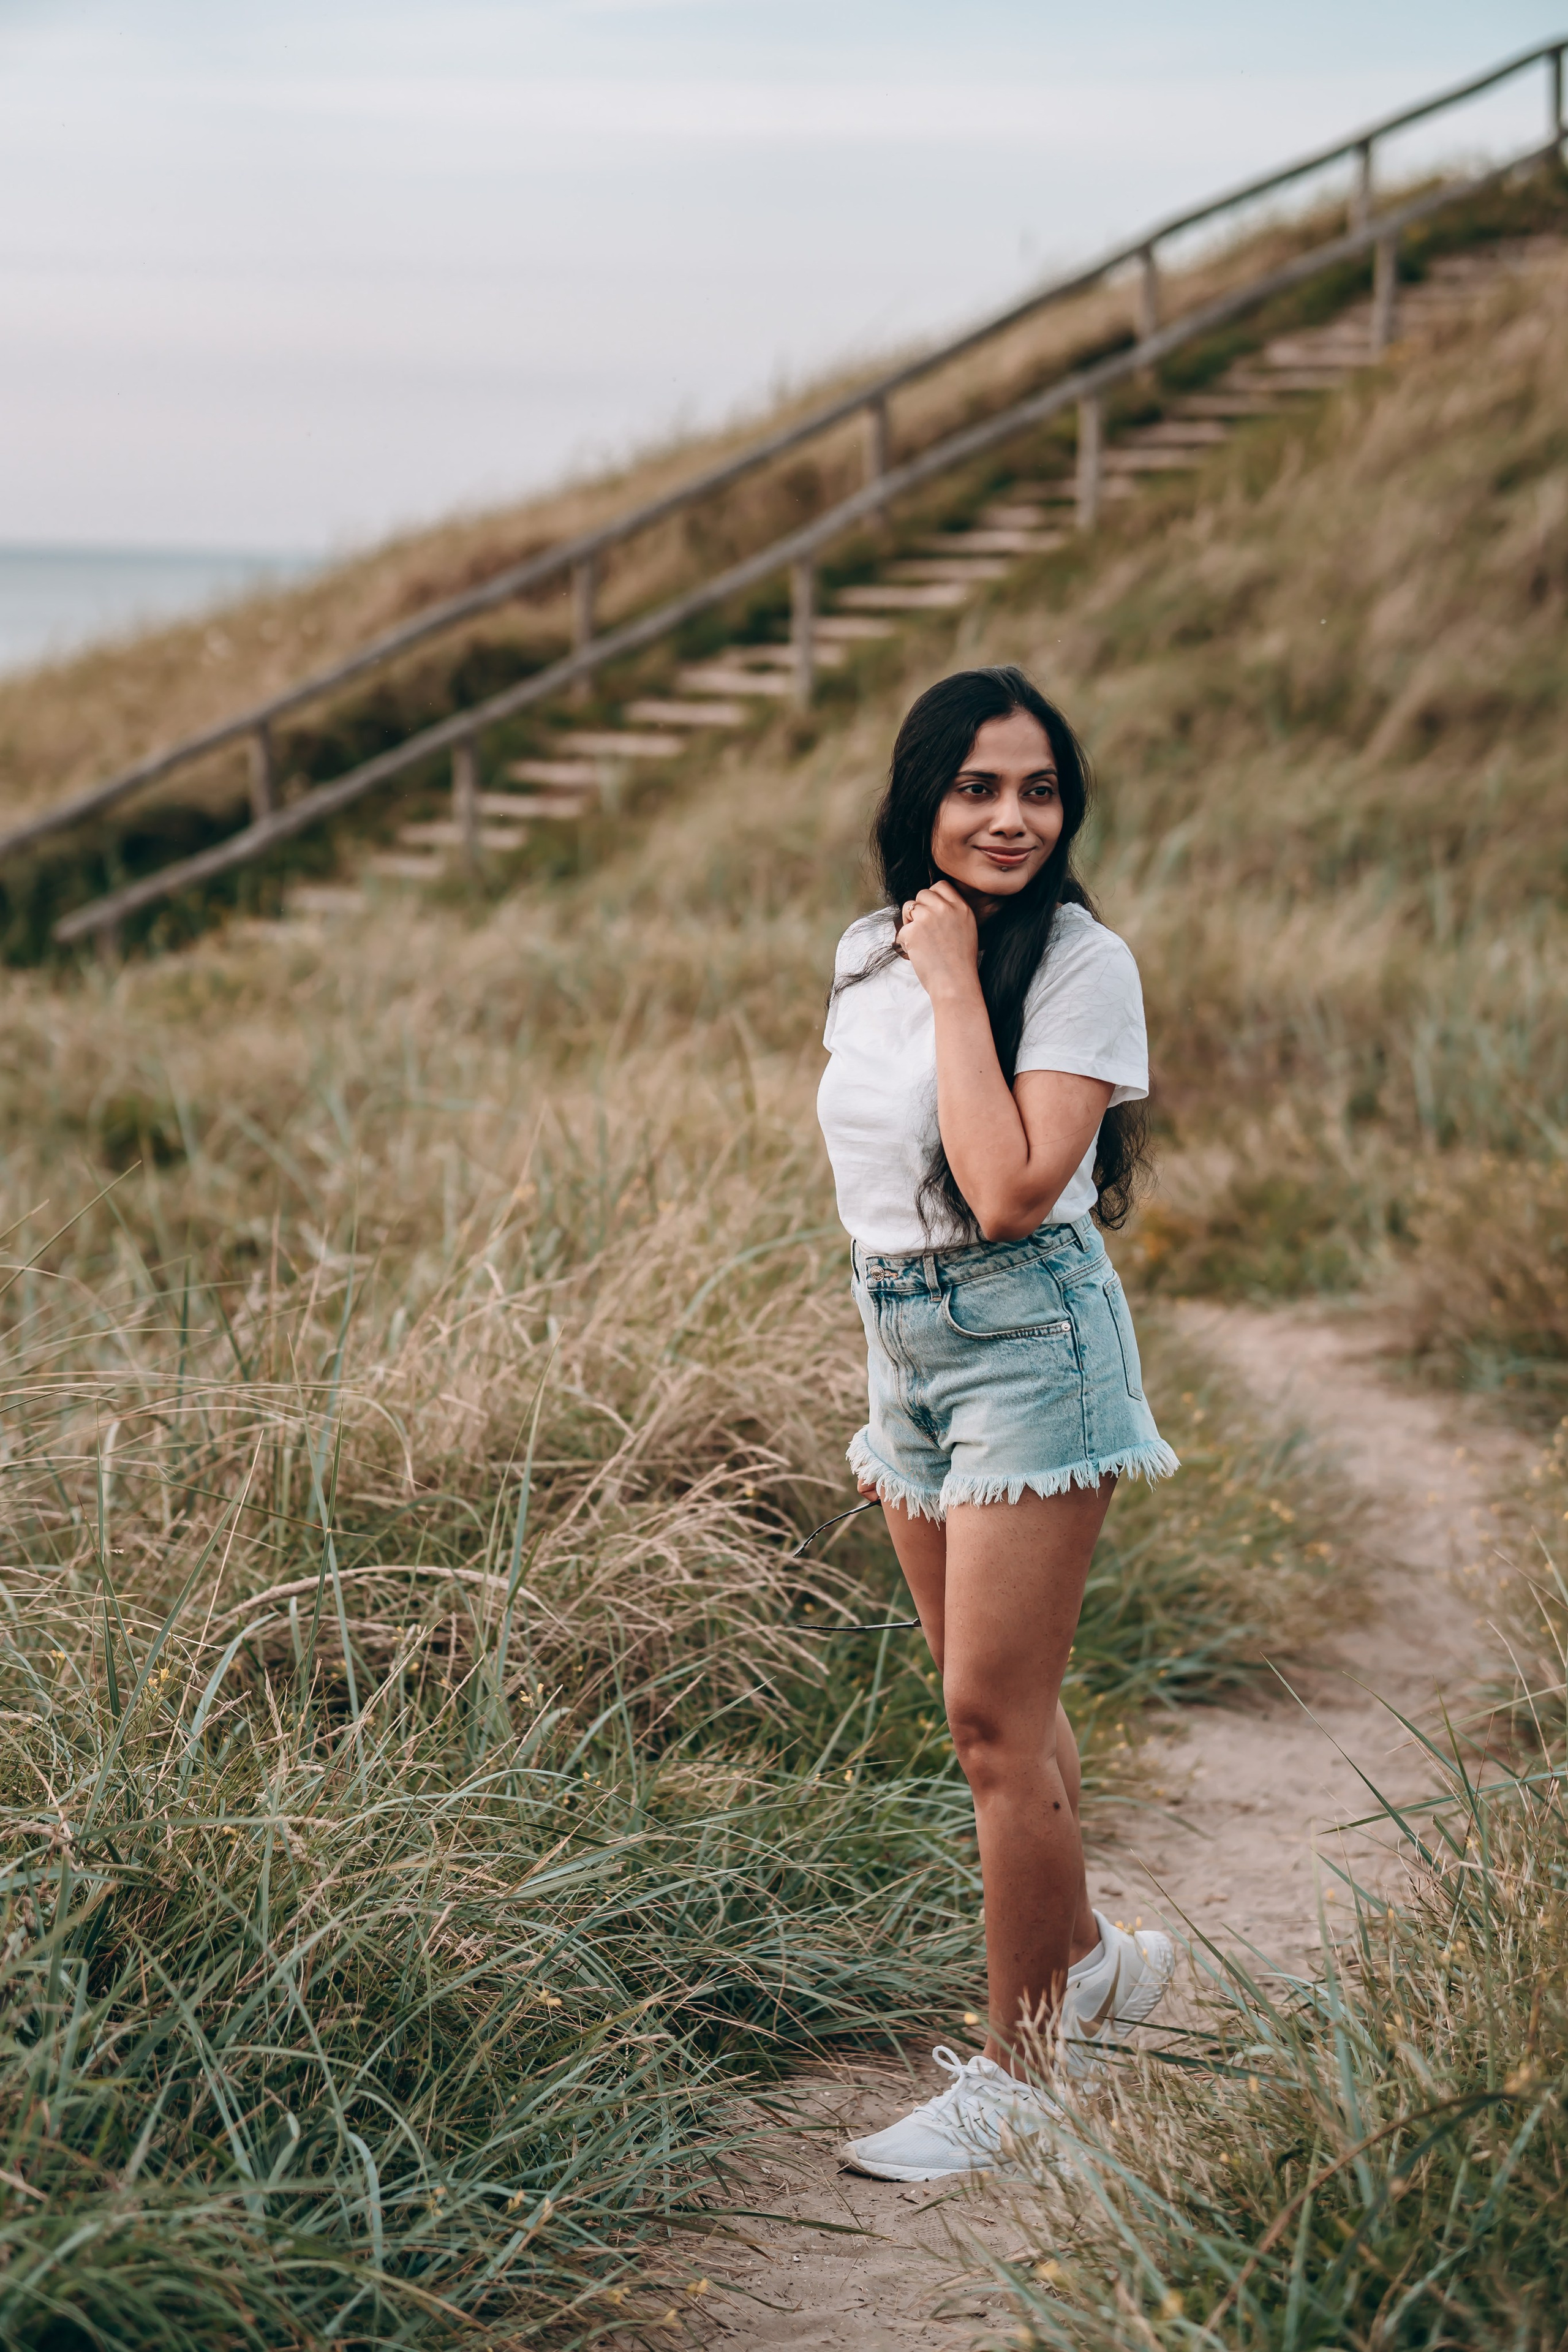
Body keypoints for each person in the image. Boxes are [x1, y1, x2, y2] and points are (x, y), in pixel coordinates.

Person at [816, 665, 1179, 2182]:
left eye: (1037, 789)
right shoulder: (862, 951)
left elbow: (1016, 1183)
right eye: (976, 786)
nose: (1010, 817)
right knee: (997, 1709)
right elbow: (874, 1169)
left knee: (988, 1725)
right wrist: (923, 968)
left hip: (1029, 1335)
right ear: (921, 799)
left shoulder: (1080, 963)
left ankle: (1020, 2075)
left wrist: (964, 985)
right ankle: (1081, 1958)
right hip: (904, 1341)